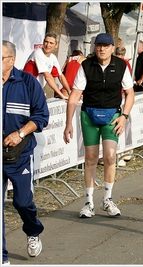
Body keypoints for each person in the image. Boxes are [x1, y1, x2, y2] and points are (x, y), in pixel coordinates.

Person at [63, 33, 135, 218]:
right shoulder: (86, 66)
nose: (102, 49)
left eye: (106, 46)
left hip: (112, 115)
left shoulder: (121, 66)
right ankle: (88, 202)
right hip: (89, 114)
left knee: (110, 156)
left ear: (112, 48)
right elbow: (75, 95)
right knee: (91, 157)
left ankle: (108, 199)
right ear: (95, 47)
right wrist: (68, 123)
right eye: (99, 46)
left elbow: (129, 93)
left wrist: (124, 116)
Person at [2, 40, 50, 264]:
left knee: (22, 202)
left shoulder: (27, 82)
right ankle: (2, 258)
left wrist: (19, 134)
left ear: (11, 60)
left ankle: (33, 231)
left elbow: (41, 117)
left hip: (18, 155)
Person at [23, 32, 70, 100]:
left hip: (36, 92)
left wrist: (69, 92)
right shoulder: (38, 53)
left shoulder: (53, 57)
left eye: (51, 43)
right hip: (26, 91)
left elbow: (60, 76)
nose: (48, 45)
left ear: (56, 45)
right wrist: (61, 95)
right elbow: (47, 77)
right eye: (46, 42)